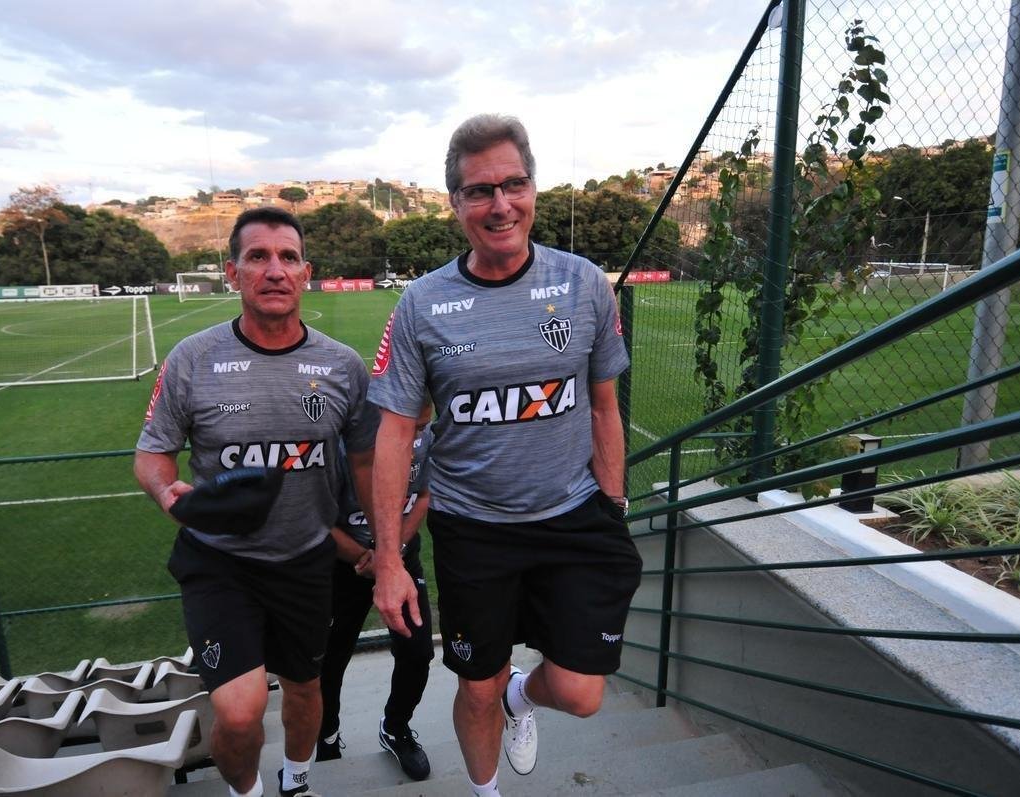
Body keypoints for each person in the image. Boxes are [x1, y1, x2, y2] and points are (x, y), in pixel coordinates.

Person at [368, 113, 644, 797]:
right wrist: (389, 560)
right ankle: (486, 791)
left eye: (513, 184)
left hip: (573, 515)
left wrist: (613, 504)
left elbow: (605, 405)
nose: (500, 205)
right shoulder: (421, 304)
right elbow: (395, 434)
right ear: (456, 203)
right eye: (480, 190)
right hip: (473, 528)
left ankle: (527, 696)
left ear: (534, 188)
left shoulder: (582, 284)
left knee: (581, 692)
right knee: (477, 686)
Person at [134, 206, 378, 797]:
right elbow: (151, 455)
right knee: (240, 712)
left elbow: (369, 462)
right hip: (221, 562)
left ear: (305, 273)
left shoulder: (342, 365)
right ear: (232, 272)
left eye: (288, 257)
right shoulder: (191, 359)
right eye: (258, 257)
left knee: (304, 689)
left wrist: (382, 546)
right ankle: (247, 792)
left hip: (305, 559)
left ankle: (296, 783)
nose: (275, 269)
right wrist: (172, 495)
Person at [315, 401, 435, 781]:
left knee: (417, 650)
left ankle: (396, 727)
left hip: (399, 558)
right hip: (343, 563)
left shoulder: (427, 439)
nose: (416, 435)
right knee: (330, 658)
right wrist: (368, 557)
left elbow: (425, 496)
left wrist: (391, 552)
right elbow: (317, 518)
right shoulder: (337, 446)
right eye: (411, 427)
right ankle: (327, 734)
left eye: (423, 427)